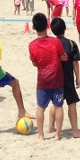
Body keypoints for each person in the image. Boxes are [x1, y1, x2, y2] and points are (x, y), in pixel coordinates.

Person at [29, 13, 67, 141]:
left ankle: (40, 135)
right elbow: (62, 57)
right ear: (48, 25)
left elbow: (34, 63)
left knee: (41, 107)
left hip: (43, 80)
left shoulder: (32, 45)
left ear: (33, 27)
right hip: (57, 78)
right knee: (58, 106)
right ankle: (58, 134)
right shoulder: (55, 42)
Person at [49, 17, 80, 138]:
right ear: (65, 28)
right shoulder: (71, 44)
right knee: (72, 104)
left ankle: (51, 127)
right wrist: (77, 78)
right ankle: (75, 131)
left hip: (54, 79)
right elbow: (75, 63)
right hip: (68, 79)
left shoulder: (51, 44)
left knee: (56, 104)